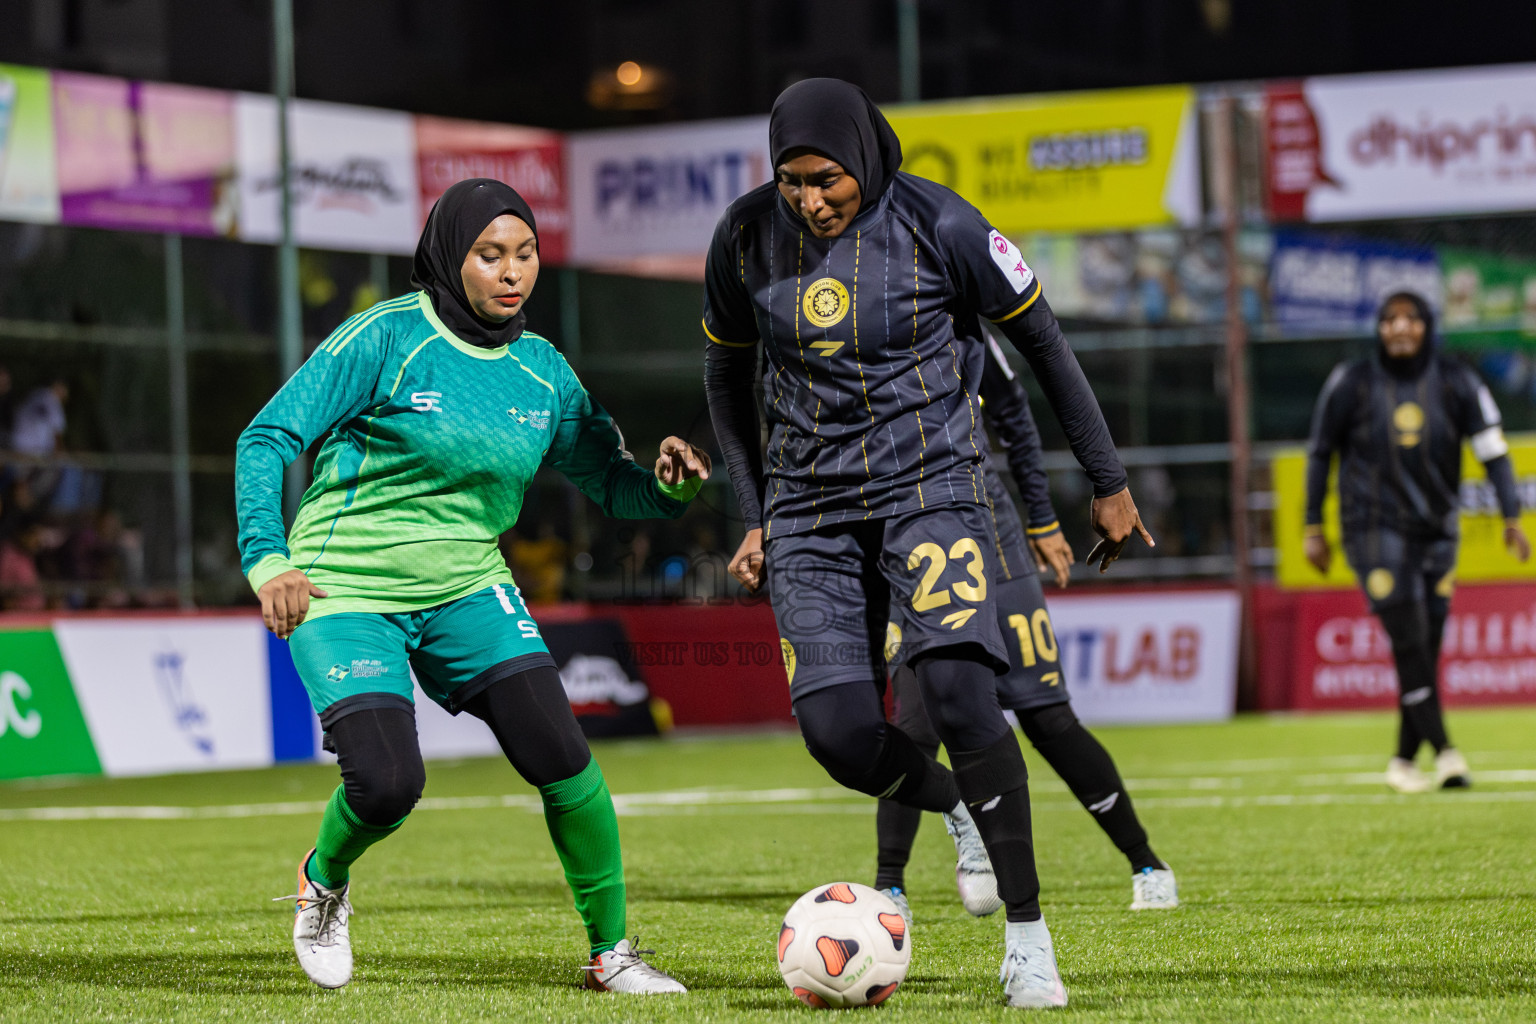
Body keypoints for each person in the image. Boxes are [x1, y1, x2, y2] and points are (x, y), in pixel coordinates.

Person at [703, 79, 1152, 1010]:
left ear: (863, 157)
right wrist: (750, 512)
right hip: (809, 514)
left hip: (931, 491)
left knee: (955, 689)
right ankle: (957, 813)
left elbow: (1046, 349)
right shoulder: (745, 237)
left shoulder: (943, 226)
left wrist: (1105, 482)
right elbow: (724, 375)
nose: (810, 199)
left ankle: (1028, 940)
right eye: (791, 182)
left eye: (826, 179)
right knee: (836, 735)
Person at [236, 179, 706, 995]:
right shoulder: (386, 337)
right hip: (345, 585)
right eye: (490, 255)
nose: (511, 271)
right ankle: (325, 880)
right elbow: (267, 436)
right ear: (451, 258)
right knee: (387, 786)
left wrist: (666, 489)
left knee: (563, 756)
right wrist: (268, 558)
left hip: (468, 586)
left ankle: (612, 955)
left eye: (524, 254)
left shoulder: (542, 373)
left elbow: (615, 484)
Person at [877, 337, 1176, 924]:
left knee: (1046, 717)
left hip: (990, 532)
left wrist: (1040, 516)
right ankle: (889, 888)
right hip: (902, 533)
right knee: (912, 724)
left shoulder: (951, 293)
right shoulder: (840, 305)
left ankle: (1147, 864)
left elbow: (1011, 409)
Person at [1304, 291, 1528, 794]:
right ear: (1378, 329)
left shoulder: (1458, 380)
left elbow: (1494, 450)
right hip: (1371, 529)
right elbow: (1319, 454)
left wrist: (1511, 514)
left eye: (1410, 319)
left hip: (1439, 530)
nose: (1399, 328)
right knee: (1408, 638)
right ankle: (1447, 753)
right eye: (1389, 319)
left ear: (1427, 326)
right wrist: (1312, 525)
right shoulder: (1351, 382)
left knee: (1424, 644)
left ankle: (1404, 760)